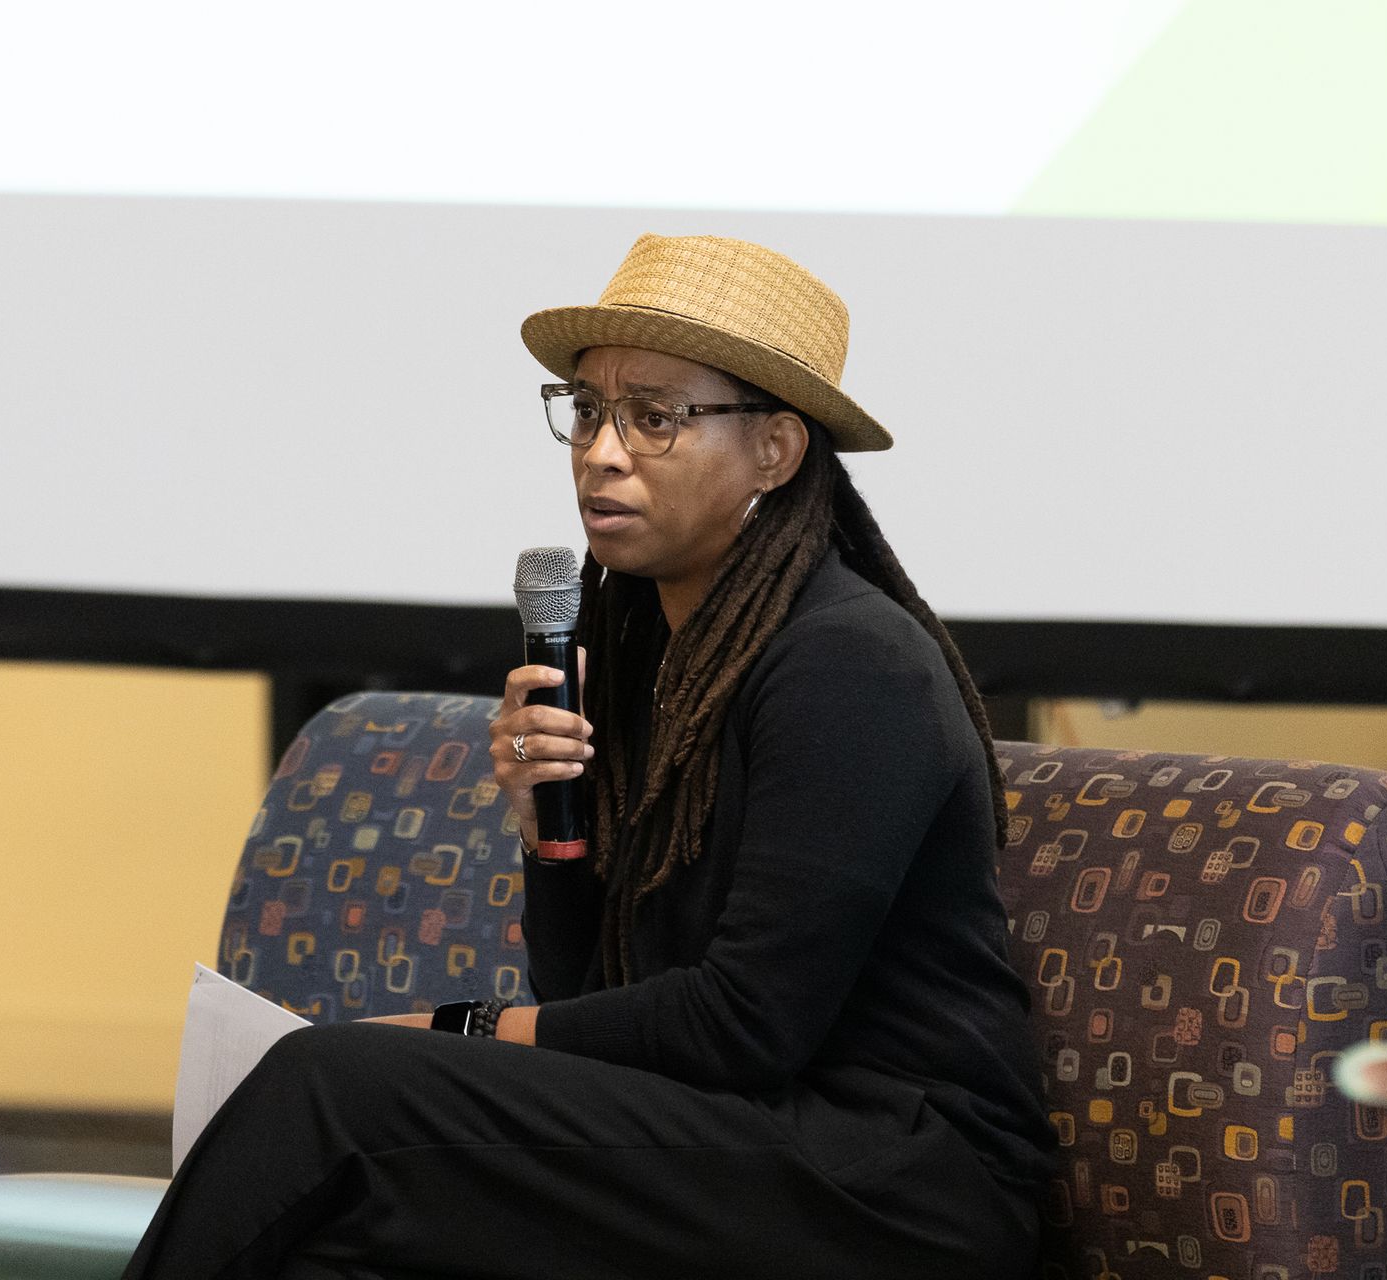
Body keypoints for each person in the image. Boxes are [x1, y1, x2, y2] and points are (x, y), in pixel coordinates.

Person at [121, 234, 1056, 1279]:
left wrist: (463, 1028)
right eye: (588, 408)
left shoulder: (852, 663)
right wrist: (550, 830)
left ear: (776, 451)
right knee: (337, 1240)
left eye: (656, 416)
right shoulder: (640, 649)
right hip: (727, 1127)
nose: (602, 451)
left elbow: (748, 1023)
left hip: (894, 1180)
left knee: (329, 1086)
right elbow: (595, 986)